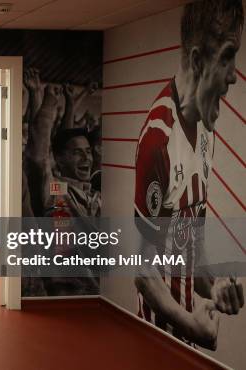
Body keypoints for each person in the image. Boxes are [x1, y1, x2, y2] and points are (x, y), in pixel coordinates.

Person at [133, 0, 244, 350]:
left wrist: (215, 285)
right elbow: (144, 271)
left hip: (184, 339)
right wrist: (191, 327)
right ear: (197, 61)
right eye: (227, 56)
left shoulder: (206, 128)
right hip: (157, 341)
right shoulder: (158, 140)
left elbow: (187, 243)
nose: (234, 74)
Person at [23, 71, 100, 296]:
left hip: (100, 294)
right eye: (77, 153)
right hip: (68, 294)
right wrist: (48, 102)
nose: (86, 158)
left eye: (88, 152)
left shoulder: (98, 195)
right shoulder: (58, 191)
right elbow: (38, 159)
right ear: (58, 159)